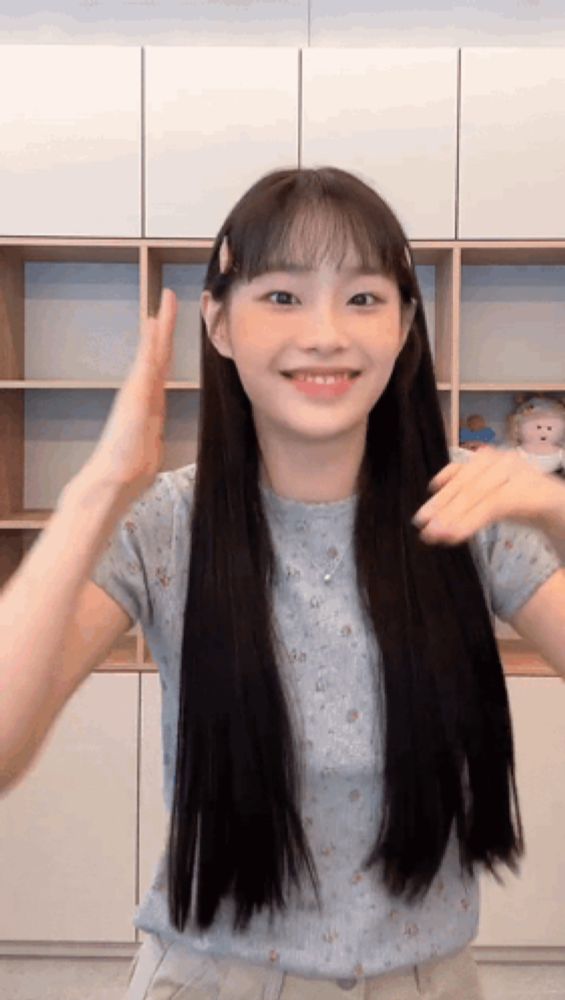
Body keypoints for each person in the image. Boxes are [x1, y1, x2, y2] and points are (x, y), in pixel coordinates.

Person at [2, 167, 564, 1000]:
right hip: (209, 978)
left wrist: (554, 510)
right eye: (282, 297)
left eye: (365, 299)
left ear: (407, 326)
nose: (326, 334)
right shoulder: (166, 523)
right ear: (218, 322)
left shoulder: (463, 507)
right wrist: (96, 490)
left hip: (427, 981)